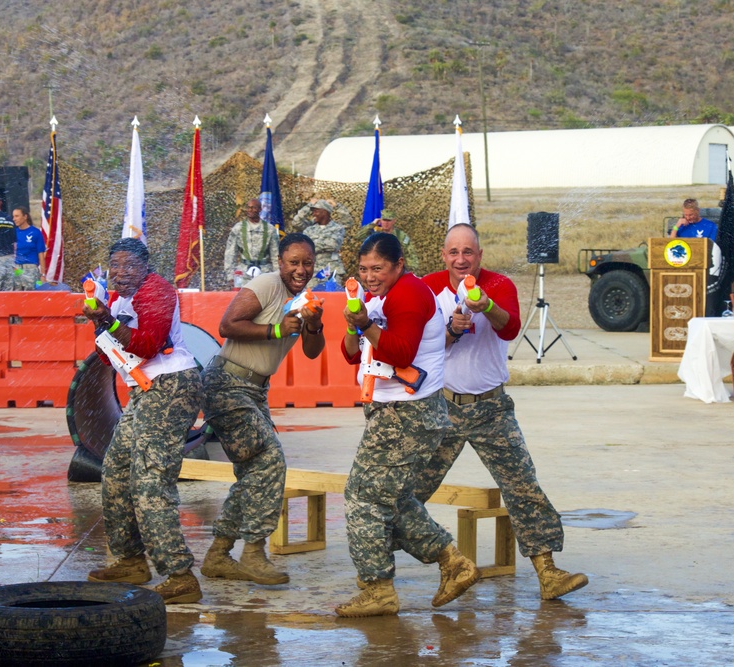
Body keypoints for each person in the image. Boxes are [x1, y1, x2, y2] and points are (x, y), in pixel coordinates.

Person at [419, 223, 589, 601]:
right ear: (443, 256)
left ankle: (548, 572)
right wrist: (449, 331)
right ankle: (442, 566)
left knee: (522, 485)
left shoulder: (498, 286)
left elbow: (510, 328)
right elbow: (415, 342)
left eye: (469, 252)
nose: (461, 260)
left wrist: (486, 307)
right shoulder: (428, 287)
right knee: (410, 491)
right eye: (454, 252)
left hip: (491, 407)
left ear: (480, 255)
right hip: (440, 405)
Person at [336, 232, 480, 618]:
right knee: (394, 502)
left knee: (363, 498)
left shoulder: (410, 294)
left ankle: (377, 588)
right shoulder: (377, 296)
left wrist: (365, 322)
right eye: (363, 269)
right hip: (392, 411)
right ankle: (453, 563)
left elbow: (400, 351)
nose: (369, 276)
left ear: (399, 265)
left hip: (407, 413)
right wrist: (355, 323)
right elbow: (350, 354)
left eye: (377, 268)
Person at [199, 232, 326, 587]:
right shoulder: (267, 284)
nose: (300, 270)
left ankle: (219, 554)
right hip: (226, 383)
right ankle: (253, 554)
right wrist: (273, 330)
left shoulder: (302, 298)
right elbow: (227, 325)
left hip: (254, 390)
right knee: (269, 461)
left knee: (254, 471)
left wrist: (313, 325)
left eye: (307, 263)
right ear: (280, 263)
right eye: (293, 263)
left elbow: (313, 351)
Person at [84, 237, 205, 605]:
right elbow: (107, 359)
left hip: (171, 385)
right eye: (114, 267)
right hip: (144, 389)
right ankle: (131, 560)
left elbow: (149, 343)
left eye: (128, 267)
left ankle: (180, 575)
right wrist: (100, 321)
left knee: (151, 481)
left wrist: (105, 319)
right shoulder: (118, 299)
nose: (120, 274)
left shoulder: (157, 289)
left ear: (145, 267)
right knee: (117, 470)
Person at [223, 197, 279, 288]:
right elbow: (230, 253)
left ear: (260, 209)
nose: (250, 210)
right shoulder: (238, 228)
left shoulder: (270, 229)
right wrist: (230, 276)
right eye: (248, 207)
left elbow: (275, 255)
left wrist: (277, 275)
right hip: (243, 274)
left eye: (254, 207)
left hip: (264, 273)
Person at [355, 209, 420, 275]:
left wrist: (412, 271)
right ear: (380, 220)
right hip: (376, 269)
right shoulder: (375, 234)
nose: (386, 223)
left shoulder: (400, 236)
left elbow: (409, 253)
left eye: (389, 221)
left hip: (394, 269)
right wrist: (372, 224)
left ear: (394, 221)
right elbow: (358, 236)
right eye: (384, 220)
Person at [302, 199, 345, 288]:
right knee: (311, 298)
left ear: (325, 212)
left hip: (332, 270)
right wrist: (325, 242)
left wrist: (314, 244)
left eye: (316, 211)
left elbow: (334, 245)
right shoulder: (309, 230)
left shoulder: (337, 228)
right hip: (313, 271)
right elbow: (306, 248)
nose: (313, 214)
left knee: (333, 298)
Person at [12, 206, 46, 291]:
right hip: (17, 268)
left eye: (17, 216)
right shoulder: (13, 233)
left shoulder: (35, 232)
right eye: (13, 216)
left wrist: (43, 274)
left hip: (31, 268)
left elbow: (41, 254)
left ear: (25, 216)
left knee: (30, 294)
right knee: (16, 294)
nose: (14, 219)